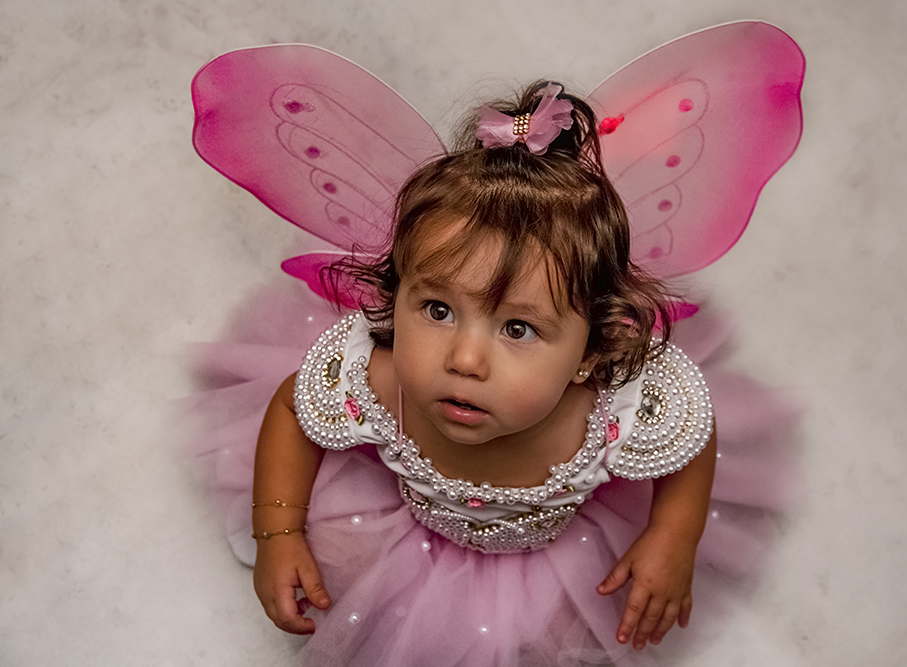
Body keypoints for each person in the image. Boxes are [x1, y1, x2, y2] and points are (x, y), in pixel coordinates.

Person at [188, 23, 804, 666]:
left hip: (558, 553)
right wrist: (279, 531)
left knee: (561, 636)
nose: (464, 359)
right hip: (403, 529)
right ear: (393, 296)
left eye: (518, 328)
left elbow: (691, 440)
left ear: (594, 351)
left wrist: (672, 537)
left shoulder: (620, 405)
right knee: (344, 566)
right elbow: (293, 412)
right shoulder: (379, 374)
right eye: (437, 309)